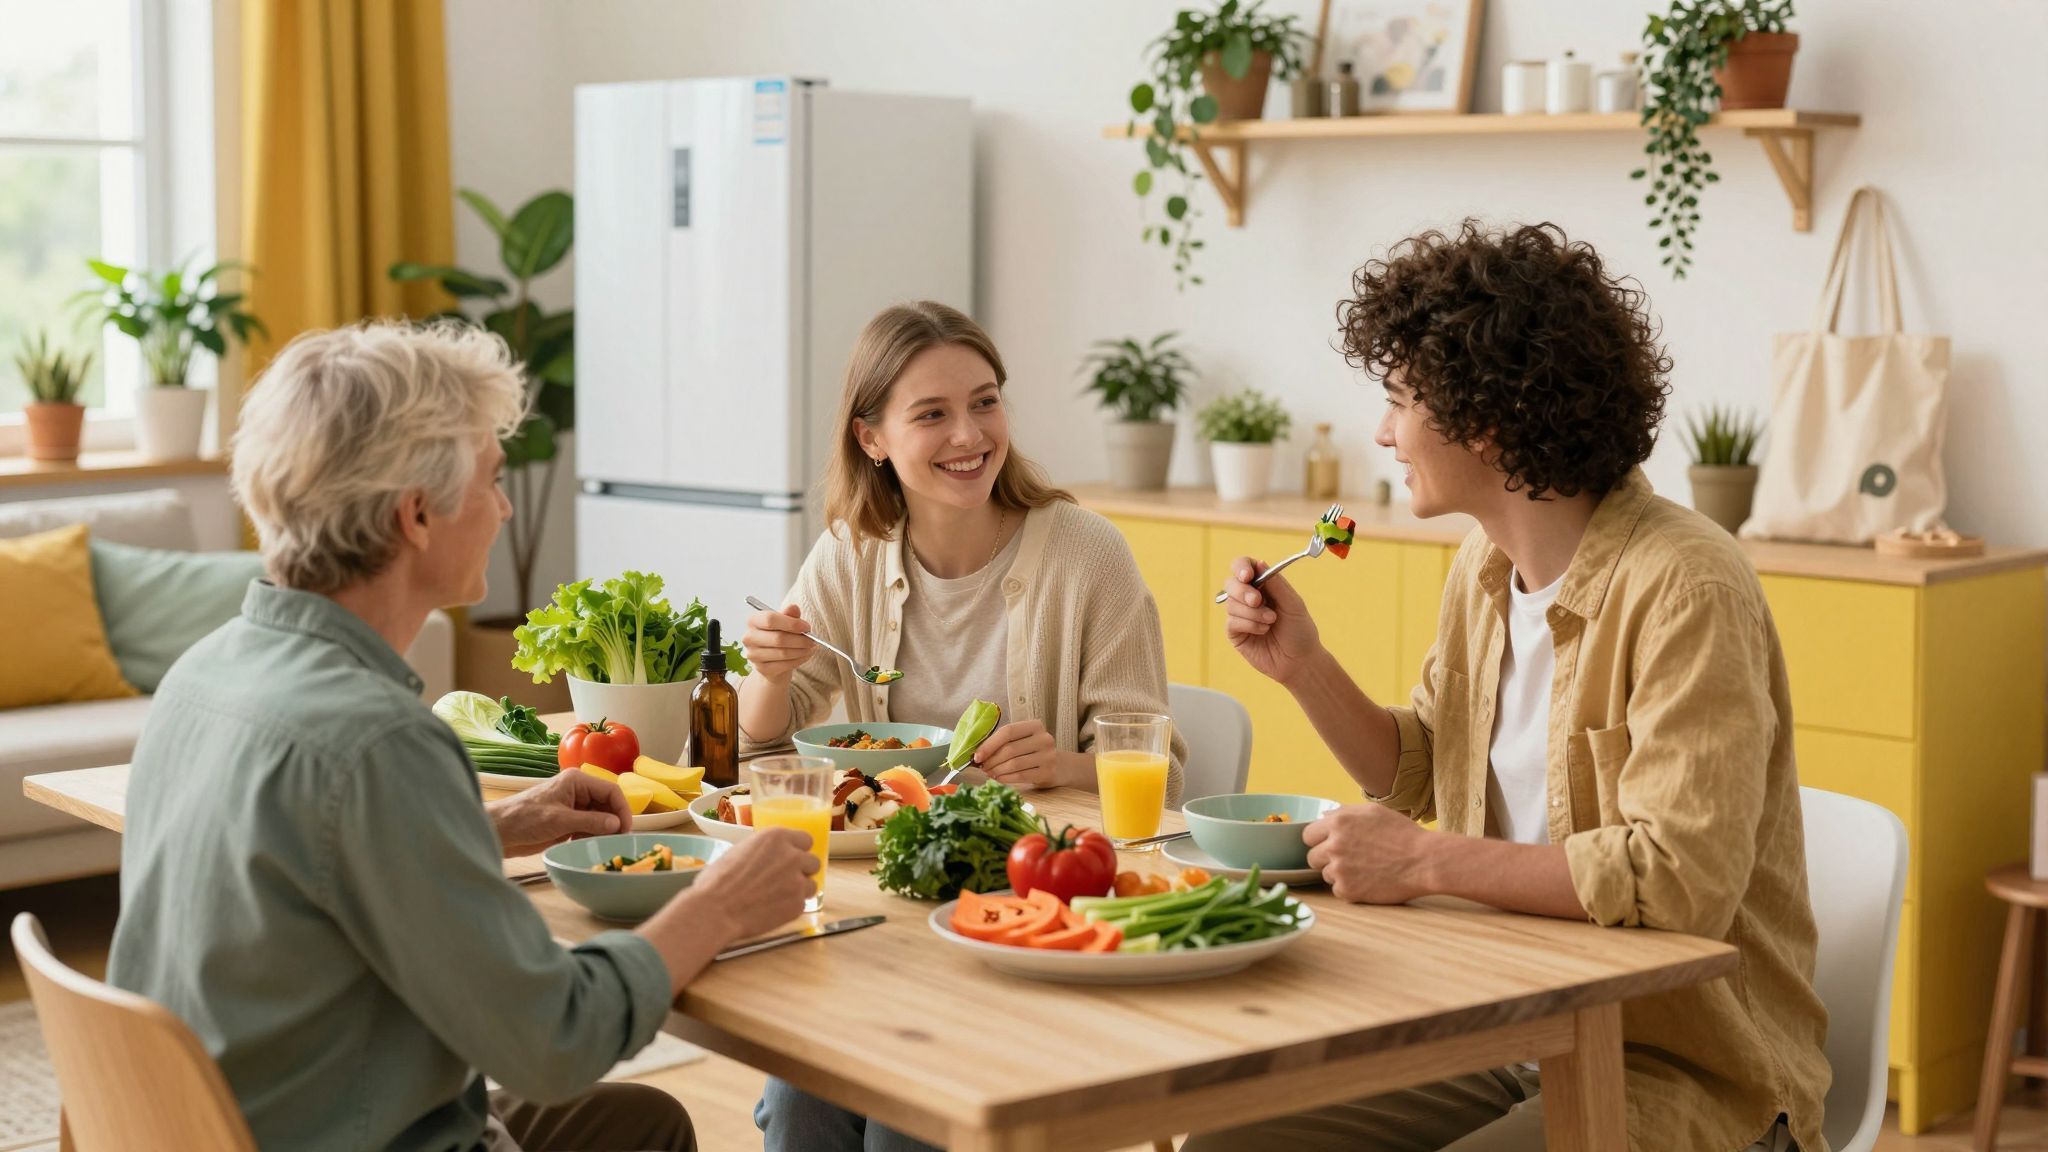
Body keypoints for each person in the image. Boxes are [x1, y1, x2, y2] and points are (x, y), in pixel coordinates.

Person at [1192, 222, 1829, 1152]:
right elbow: (1423, 772)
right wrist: (1304, 668)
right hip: (1501, 1034)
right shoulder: (1482, 568)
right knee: (1230, 1146)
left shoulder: (1688, 586)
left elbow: (1679, 880)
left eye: (1400, 399)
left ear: (1484, 421)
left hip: (1677, 1067)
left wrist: (1423, 862)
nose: (1382, 431)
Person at [107, 322, 819, 1152]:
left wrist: (489, 830)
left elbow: (303, 868)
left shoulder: (202, 674)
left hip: (231, 1125)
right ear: (416, 514)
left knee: (643, 1124)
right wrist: (718, 906)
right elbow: (557, 1039)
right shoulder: (377, 741)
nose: (507, 507)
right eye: (493, 478)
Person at [741, 301, 1186, 1151]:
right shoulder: (854, 553)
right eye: (933, 414)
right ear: (872, 437)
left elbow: (1158, 765)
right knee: (799, 1107)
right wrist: (770, 675)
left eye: (985, 402)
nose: (969, 435)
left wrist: (1063, 764)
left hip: (1032, 917)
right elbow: (764, 752)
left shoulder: (1086, 554)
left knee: (905, 1133)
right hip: (889, 913)